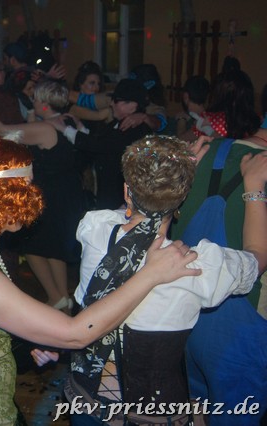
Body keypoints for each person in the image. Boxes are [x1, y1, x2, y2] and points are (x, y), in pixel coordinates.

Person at [0, 135, 201, 426]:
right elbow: (76, 334)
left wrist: (27, 342)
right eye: (26, 187)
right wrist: (152, 274)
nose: (34, 197)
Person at [31, 135, 266, 425]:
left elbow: (128, 216)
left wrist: (158, 181)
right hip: (149, 418)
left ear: (126, 191)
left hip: (85, 406)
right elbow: (257, 256)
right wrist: (254, 188)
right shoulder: (196, 266)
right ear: (183, 197)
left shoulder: (95, 227)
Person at [171, 111, 267, 424]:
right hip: (241, 329)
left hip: (183, 315)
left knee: (196, 404)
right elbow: (257, 257)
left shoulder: (206, 149)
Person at [0, 79, 85, 310]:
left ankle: (56, 295)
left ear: (44, 103)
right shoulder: (67, 121)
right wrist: (31, 111)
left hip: (50, 194)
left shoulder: (45, 129)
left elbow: (3, 131)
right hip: (67, 191)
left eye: (35, 98)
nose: (32, 100)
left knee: (31, 246)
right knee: (54, 248)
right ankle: (62, 297)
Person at [56, 78, 152, 209]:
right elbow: (101, 143)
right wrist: (80, 127)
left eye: (116, 101)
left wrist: (64, 129)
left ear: (132, 105)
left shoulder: (136, 130)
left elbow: (102, 146)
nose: (111, 104)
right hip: (108, 197)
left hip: (120, 203)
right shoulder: (118, 123)